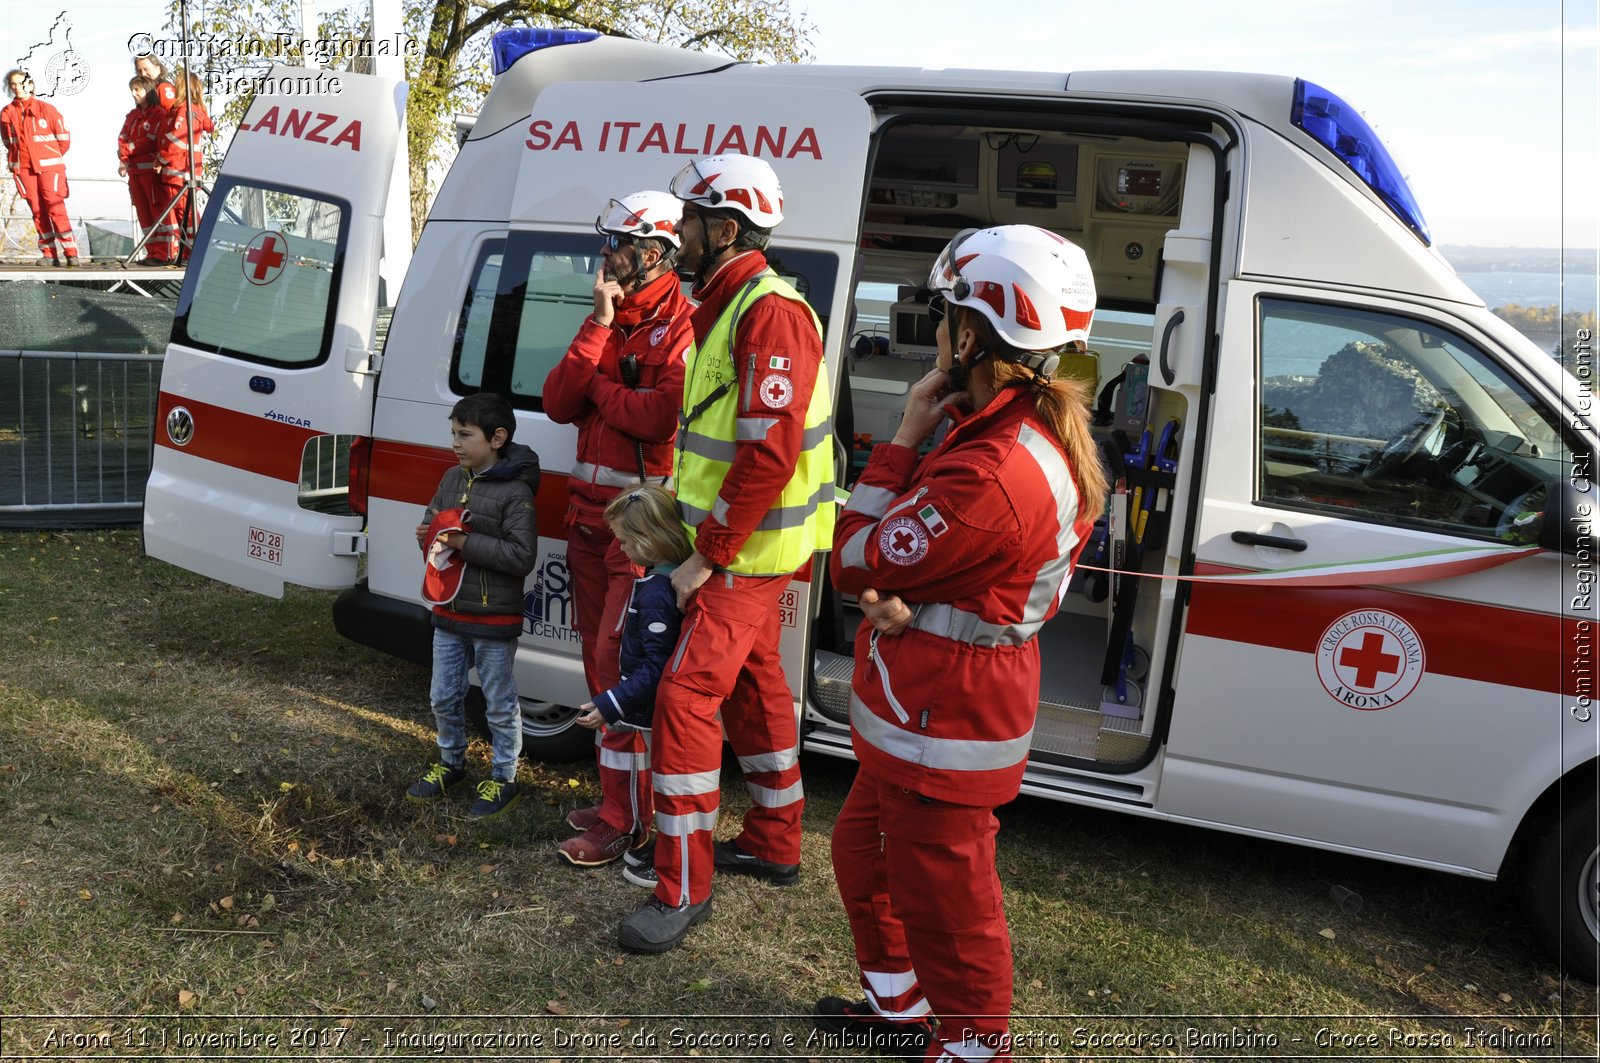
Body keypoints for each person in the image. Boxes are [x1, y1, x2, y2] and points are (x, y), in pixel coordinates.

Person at [812, 225, 1108, 1062]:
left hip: (948, 718)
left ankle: (974, 1048)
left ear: (971, 335)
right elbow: (939, 568)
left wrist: (902, 435)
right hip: (925, 701)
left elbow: (855, 555)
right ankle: (901, 1012)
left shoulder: (993, 468)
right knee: (867, 858)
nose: (935, 331)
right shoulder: (997, 430)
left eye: (942, 316)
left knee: (948, 902)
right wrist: (910, 594)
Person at [617, 154, 834, 954]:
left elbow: (768, 453)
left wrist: (705, 555)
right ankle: (776, 843)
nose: (678, 233)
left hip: (742, 554)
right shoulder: (735, 300)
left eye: (691, 221)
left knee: (683, 701)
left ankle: (681, 886)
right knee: (754, 684)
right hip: (745, 545)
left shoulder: (767, 310)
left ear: (727, 228)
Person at [544, 191, 692, 868]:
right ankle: (619, 805)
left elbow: (658, 417)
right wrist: (599, 329)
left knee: (621, 672)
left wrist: (604, 391)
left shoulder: (682, 325)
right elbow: (556, 401)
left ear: (654, 253)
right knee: (597, 664)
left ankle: (623, 820)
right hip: (585, 524)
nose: (606, 256)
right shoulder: (606, 318)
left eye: (619, 245)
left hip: (636, 537)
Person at [408, 392, 541, 819]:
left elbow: (522, 557)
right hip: (449, 612)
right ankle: (451, 763)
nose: (456, 443)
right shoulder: (451, 479)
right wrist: (427, 535)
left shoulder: (516, 491)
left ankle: (504, 778)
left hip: (493, 617)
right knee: (443, 695)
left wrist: (465, 542)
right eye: (453, 433)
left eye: (465, 434)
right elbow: (433, 522)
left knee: (499, 703)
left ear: (497, 437)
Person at [568, 484, 692, 863]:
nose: (619, 548)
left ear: (649, 542)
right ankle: (620, 811)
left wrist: (614, 701)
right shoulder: (657, 579)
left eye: (624, 541)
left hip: (642, 708)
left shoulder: (656, 591)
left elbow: (656, 665)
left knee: (642, 760)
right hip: (635, 702)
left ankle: (631, 826)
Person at [2, 69, 80, 267]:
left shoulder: (47, 109)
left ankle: (71, 252)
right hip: (24, 169)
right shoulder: (6, 113)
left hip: (50, 168)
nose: (17, 87)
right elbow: (8, 141)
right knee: (37, 211)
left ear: (31, 84)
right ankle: (49, 254)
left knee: (55, 207)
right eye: (13, 83)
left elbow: (64, 140)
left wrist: (48, 156)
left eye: (21, 82)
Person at [153, 71, 212, 266]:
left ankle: (194, 252)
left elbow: (176, 140)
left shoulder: (184, 111)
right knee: (187, 214)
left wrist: (160, 158)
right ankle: (190, 252)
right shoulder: (196, 111)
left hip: (178, 171)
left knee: (184, 214)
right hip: (186, 171)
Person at [116, 77, 155, 253]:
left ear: (147, 90)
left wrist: (128, 149)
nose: (134, 94)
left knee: (156, 212)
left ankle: (163, 253)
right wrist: (124, 157)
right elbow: (122, 137)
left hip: (151, 173)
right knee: (143, 214)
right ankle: (152, 251)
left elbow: (150, 141)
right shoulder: (132, 116)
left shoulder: (157, 114)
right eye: (132, 90)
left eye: (137, 89)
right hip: (134, 172)